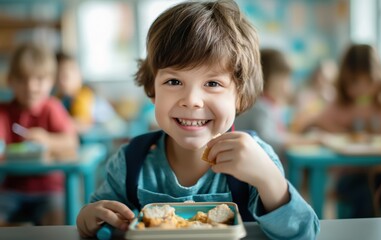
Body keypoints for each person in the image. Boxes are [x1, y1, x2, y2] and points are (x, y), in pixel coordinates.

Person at [76, 1, 319, 239]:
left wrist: (269, 180)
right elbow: (101, 222)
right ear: (152, 88)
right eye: (174, 82)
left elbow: (304, 233)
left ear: (240, 95)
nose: (192, 100)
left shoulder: (257, 159)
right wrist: (89, 219)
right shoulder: (130, 162)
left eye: (212, 84)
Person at [308, 43, 381, 218]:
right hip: (351, 175)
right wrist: (342, 133)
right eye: (354, 83)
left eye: (368, 81)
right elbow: (319, 122)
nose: (361, 89)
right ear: (344, 81)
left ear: (379, 77)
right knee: (364, 198)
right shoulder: (340, 103)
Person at [0, 43, 79, 225]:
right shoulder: (4, 111)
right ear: (10, 81)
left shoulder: (52, 107)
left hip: (49, 190)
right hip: (12, 190)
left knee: (57, 222)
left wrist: (48, 140)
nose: (31, 86)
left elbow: (71, 142)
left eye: (39, 79)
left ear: (51, 81)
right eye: (22, 79)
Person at [234, 48, 310, 160]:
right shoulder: (259, 107)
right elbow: (271, 141)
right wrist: (308, 141)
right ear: (267, 78)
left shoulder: (269, 104)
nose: (289, 83)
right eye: (285, 77)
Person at [55, 52, 120, 135]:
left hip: (112, 135)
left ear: (79, 76)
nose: (60, 81)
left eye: (65, 77)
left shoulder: (83, 96)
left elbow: (82, 125)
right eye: (57, 77)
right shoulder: (61, 97)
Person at [291, 59, 337, 133]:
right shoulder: (304, 95)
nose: (324, 82)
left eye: (329, 79)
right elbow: (299, 121)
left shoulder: (332, 95)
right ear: (316, 75)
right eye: (323, 77)